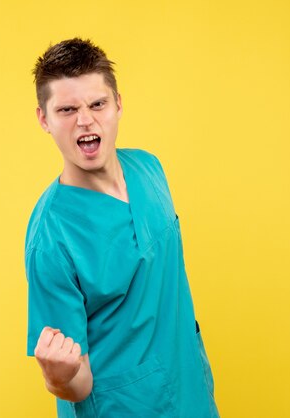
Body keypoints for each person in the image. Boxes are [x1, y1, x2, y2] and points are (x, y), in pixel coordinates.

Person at [24, 38, 219, 418]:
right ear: (44, 119)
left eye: (97, 104)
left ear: (118, 104)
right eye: (66, 109)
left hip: (190, 389)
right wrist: (58, 378)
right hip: (122, 408)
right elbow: (76, 384)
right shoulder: (51, 239)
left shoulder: (150, 169)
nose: (85, 119)